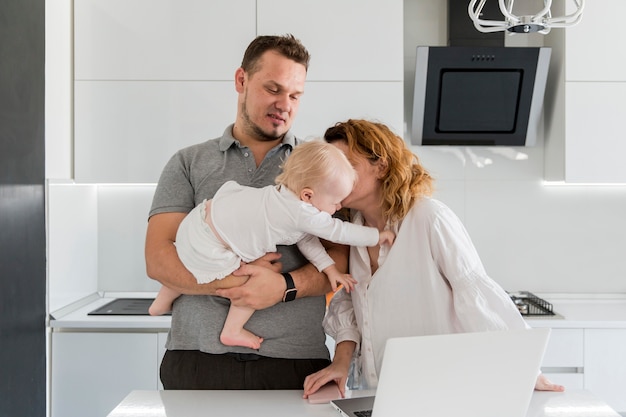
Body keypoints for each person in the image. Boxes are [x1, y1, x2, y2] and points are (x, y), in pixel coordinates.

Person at [295, 119, 565, 398]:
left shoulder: (429, 218)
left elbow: (476, 296)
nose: (334, 176)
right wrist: (340, 363)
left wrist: (526, 370)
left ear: (381, 166)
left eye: (347, 165)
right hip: (380, 394)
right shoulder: (351, 232)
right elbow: (350, 304)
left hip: (443, 392)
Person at [145, 34, 349, 389]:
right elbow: (158, 259)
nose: (284, 104)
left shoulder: (320, 167)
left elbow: (340, 262)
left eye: (295, 95)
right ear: (241, 80)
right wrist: (240, 283)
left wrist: (283, 286)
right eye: (273, 89)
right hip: (196, 358)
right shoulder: (189, 162)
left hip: (296, 363)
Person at [148, 140, 395, 350]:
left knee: (188, 263)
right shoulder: (302, 213)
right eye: (336, 202)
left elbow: (306, 240)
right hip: (210, 246)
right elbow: (338, 231)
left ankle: (162, 300)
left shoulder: (286, 199)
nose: (339, 207)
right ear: (308, 195)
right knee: (252, 281)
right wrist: (376, 236)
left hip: (197, 225)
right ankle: (232, 330)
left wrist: (329, 269)